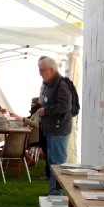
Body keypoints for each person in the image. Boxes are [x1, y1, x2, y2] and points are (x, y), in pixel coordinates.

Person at [36, 56, 72, 195]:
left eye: (42, 70)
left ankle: (57, 193)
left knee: (57, 162)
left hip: (59, 128)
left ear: (51, 70)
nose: (40, 73)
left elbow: (65, 105)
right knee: (52, 161)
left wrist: (46, 110)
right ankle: (54, 191)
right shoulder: (48, 84)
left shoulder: (61, 84)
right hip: (51, 128)